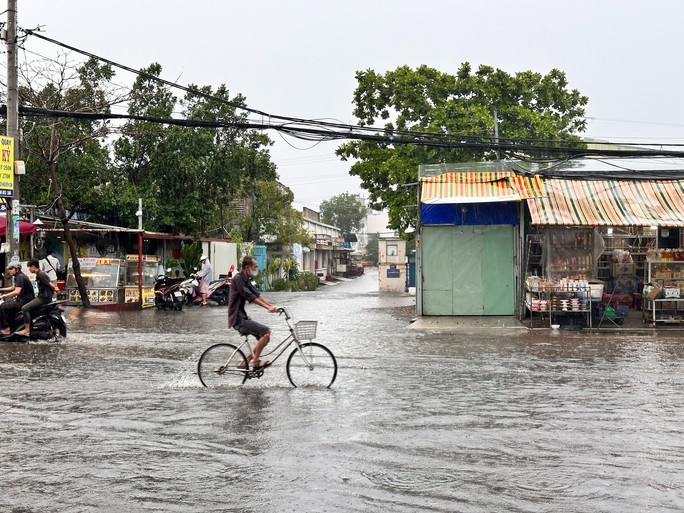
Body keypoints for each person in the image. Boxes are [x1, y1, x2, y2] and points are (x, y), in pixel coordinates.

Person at [227, 255, 278, 368]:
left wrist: (271, 306)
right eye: (255, 267)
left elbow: (256, 294)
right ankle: (254, 362)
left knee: (265, 336)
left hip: (242, 317)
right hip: (237, 318)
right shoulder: (238, 279)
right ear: (247, 267)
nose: (256, 269)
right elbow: (250, 297)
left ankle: (246, 361)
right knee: (266, 332)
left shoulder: (246, 279)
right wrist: (267, 308)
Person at [15, 259, 56, 337]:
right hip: (43, 297)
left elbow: (52, 285)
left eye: (29, 268)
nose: (29, 270)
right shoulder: (39, 274)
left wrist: (53, 292)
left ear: (33, 266)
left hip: (43, 298)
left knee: (24, 308)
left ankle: (27, 330)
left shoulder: (41, 274)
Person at [0, 262, 36, 335]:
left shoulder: (20, 277)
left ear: (17, 269)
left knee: (2, 307)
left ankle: (6, 329)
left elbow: (17, 291)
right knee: (6, 305)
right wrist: (1, 289)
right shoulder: (19, 276)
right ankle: (11, 326)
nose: (9, 271)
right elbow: (13, 288)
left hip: (24, 301)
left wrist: (3, 296)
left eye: (11, 269)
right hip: (22, 300)